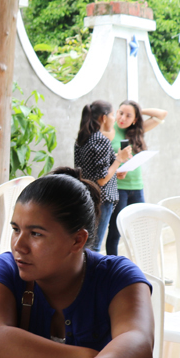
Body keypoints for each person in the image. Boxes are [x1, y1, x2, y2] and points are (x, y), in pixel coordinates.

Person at [0, 168, 154, 358]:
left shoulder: (117, 276)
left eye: (36, 234)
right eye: (16, 229)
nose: (19, 245)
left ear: (77, 240)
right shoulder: (4, 270)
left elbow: (138, 342)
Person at [106, 100, 168, 256]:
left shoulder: (137, 131)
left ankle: (146, 267)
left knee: (142, 229)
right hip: (118, 187)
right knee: (116, 230)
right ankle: (112, 271)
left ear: (134, 119)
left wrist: (139, 111)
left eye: (128, 115)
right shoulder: (109, 131)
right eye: (120, 113)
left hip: (137, 187)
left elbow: (162, 114)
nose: (122, 118)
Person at [73, 100, 132, 252]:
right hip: (102, 199)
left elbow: (90, 169)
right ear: (104, 118)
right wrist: (119, 159)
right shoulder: (101, 140)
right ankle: (92, 275)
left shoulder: (82, 139)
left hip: (86, 196)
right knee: (95, 246)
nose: (114, 119)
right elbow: (101, 179)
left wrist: (116, 162)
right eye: (113, 115)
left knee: (87, 244)